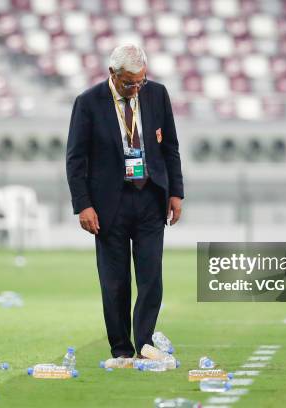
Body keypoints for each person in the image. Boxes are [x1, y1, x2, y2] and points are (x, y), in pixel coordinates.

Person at [66, 44, 184, 358]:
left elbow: (170, 146)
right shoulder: (88, 103)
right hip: (108, 205)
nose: (135, 88)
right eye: (129, 83)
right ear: (112, 74)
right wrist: (83, 204)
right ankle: (121, 348)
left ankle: (144, 341)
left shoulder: (157, 95)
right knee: (115, 282)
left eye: (140, 81)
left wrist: (176, 192)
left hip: (150, 198)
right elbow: (75, 159)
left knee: (151, 277)